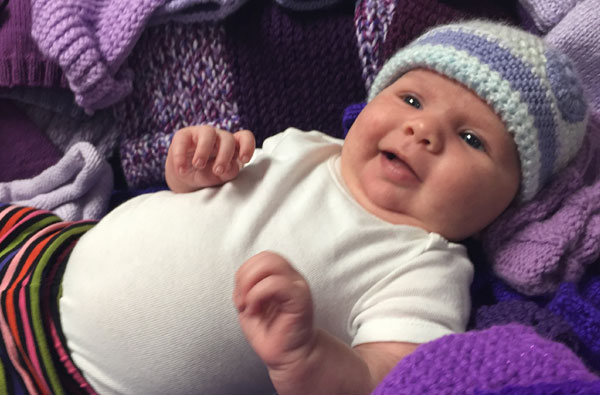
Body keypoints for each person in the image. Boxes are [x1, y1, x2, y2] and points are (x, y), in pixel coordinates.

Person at [53, 20, 588, 395]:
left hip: (79, 382)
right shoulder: (304, 144)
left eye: (472, 139)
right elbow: (193, 197)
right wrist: (194, 167)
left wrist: (308, 356)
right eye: (411, 99)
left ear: (506, 204)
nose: (422, 130)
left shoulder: (424, 265)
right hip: (50, 254)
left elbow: (387, 376)